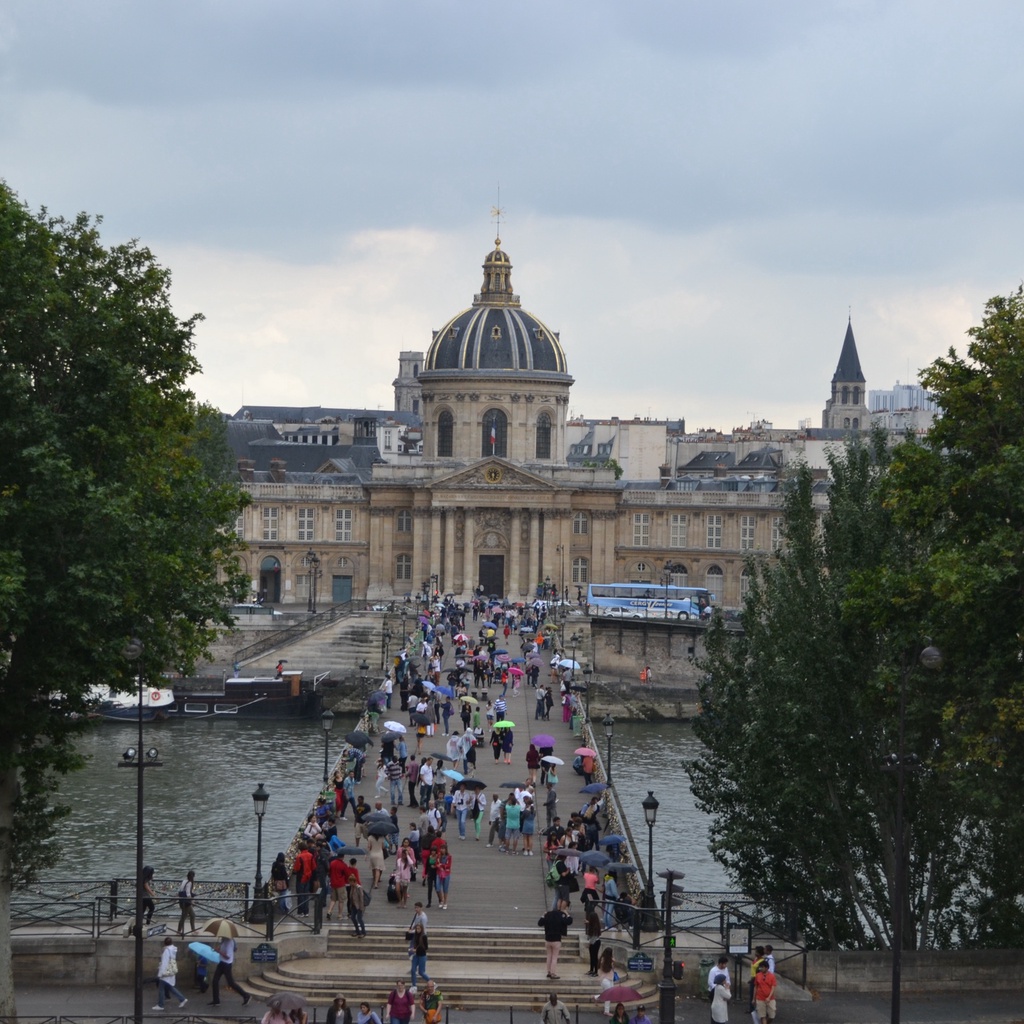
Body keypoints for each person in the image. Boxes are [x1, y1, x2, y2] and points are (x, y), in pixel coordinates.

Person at [209, 934, 251, 1007]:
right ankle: (216, 1000)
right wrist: (219, 949)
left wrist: (219, 951)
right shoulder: (224, 940)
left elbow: (228, 956)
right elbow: (235, 949)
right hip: (222, 963)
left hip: (226, 965)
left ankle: (246, 995)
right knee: (215, 981)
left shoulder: (229, 941)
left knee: (231, 983)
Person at [538, 897, 573, 979]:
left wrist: (543, 915)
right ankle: (553, 973)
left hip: (548, 938)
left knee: (549, 956)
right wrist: (567, 914)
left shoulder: (548, 914)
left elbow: (540, 923)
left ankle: (549, 971)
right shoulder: (561, 915)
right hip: (556, 939)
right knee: (554, 957)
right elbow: (569, 921)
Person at [153, 936, 187, 1010]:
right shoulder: (173, 950)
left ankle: (160, 1005)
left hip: (165, 973)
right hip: (171, 972)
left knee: (161, 989)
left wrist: (160, 973)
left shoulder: (166, 951)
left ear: (165, 943)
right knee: (170, 987)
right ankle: (182, 999)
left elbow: (164, 962)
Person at [395, 837, 417, 908]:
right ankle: (400, 901)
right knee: (397, 889)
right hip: (399, 875)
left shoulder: (411, 850)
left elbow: (412, 861)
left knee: (405, 890)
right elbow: (397, 858)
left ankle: (404, 903)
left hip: (406, 874)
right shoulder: (399, 850)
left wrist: (407, 854)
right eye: (405, 842)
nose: (406, 844)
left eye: (407, 842)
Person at [753, 959, 777, 1024]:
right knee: (762, 1016)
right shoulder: (758, 975)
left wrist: (769, 997)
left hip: (770, 999)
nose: (760, 969)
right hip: (760, 998)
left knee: (772, 1016)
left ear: (766, 968)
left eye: (762, 967)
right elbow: (756, 987)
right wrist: (753, 999)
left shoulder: (772, 976)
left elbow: (773, 987)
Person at [176, 869, 196, 937]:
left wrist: (192, 894)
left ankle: (193, 930)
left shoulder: (184, 881)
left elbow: (181, 891)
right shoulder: (190, 883)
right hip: (186, 903)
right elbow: (188, 894)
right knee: (183, 917)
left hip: (181, 901)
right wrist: (192, 901)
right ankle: (179, 931)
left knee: (192, 915)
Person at [409, 922, 430, 988]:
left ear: (421, 929)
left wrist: (417, 950)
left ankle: (430, 982)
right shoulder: (415, 935)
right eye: (416, 928)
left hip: (422, 955)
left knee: (421, 972)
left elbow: (426, 948)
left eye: (419, 928)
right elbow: (408, 937)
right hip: (415, 955)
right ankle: (414, 985)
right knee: (413, 970)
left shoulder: (424, 936)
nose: (417, 930)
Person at [433, 840, 452, 909]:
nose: (442, 850)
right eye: (441, 848)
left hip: (446, 874)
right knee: (438, 888)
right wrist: (439, 865)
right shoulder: (438, 855)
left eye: (443, 849)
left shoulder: (449, 856)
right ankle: (441, 900)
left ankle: (445, 902)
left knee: (445, 888)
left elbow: (448, 865)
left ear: (446, 849)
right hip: (439, 873)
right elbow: (436, 864)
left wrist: (442, 865)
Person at [585, 909, 602, 975]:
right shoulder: (593, 924)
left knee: (594, 957)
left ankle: (596, 971)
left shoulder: (595, 927)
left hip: (595, 942)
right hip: (593, 942)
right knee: (592, 957)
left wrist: (590, 943)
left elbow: (594, 937)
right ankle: (591, 969)